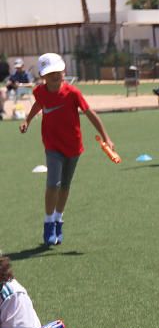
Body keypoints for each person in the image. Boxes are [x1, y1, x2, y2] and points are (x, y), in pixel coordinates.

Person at [19, 53, 115, 247]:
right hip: (53, 145)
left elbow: (90, 113)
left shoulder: (72, 93)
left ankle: (58, 219)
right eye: (50, 73)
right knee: (53, 183)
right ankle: (48, 223)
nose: (55, 76)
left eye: (58, 72)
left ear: (64, 71)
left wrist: (106, 137)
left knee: (65, 186)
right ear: (42, 76)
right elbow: (39, 103)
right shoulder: (40, 92)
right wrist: (27, 120)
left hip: (73, 146)